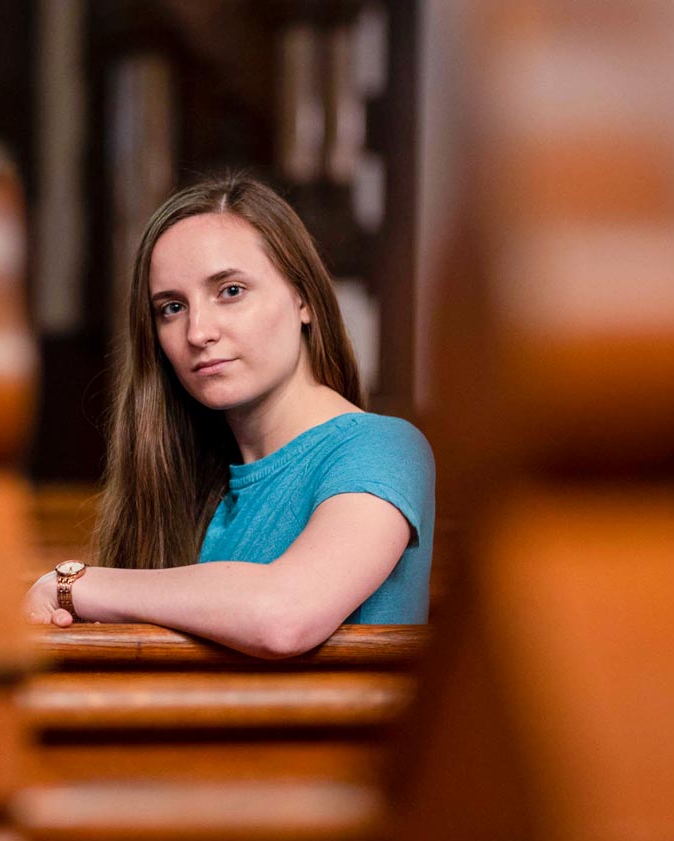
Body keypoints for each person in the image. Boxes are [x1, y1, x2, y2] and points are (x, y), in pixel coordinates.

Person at [25, 174, 433, 656]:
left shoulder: (383, 447)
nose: (198, 331)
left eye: (231, 290)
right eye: (172, 308)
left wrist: (74, 584)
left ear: (302, 298)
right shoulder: (197, 486)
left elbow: (285, 615)